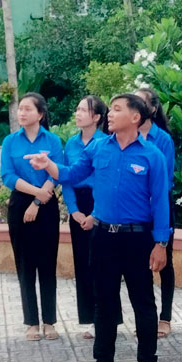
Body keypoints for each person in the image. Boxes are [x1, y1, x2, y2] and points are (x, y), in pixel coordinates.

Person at [27, 94, 171, 362]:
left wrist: (161, 243)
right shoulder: (98, 147)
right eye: (111, 109)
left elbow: (160, 202)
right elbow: (71, 174)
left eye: (117, 109)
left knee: (143, 302)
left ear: (135, 117)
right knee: (104, 302)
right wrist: (49, 165)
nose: (110, 114)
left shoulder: (152, 155)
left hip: (138, 238)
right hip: (104, 237)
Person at [0, 93, 64, 341]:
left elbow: (56, 173)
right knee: (25, 265)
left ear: (40, 114)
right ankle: (31, 322)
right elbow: (8, 176)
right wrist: (35, 194)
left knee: (47, 264)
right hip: (20, 204)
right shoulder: (10, 142)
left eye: (27, 109)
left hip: (46, 204)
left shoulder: (53, 140)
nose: (22, 113)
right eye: (20, 109)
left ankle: (49, 321)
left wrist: (38, 201)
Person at [64, 95, 108, 340]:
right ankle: (89, 318)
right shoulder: (71, 144)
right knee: (82, 262)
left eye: (84, 110)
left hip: (99, 205)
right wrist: (73, 210)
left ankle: (107, 318)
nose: (78, 113)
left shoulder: (105, 142)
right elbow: (66, 178)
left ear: (97, 117)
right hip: (78, 206)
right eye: (77, 109)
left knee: (102, 263)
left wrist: (94, 213)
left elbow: (105, 181)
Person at [136, 88, 177, 338]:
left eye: (141, 102)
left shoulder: (162, 140)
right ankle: (146, 317)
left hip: (159, 207)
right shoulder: (125, 137)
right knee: (140, 265)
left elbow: (166, 180)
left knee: (164, 263)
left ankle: (165, 317)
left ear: (152, 109)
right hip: (136, 212)